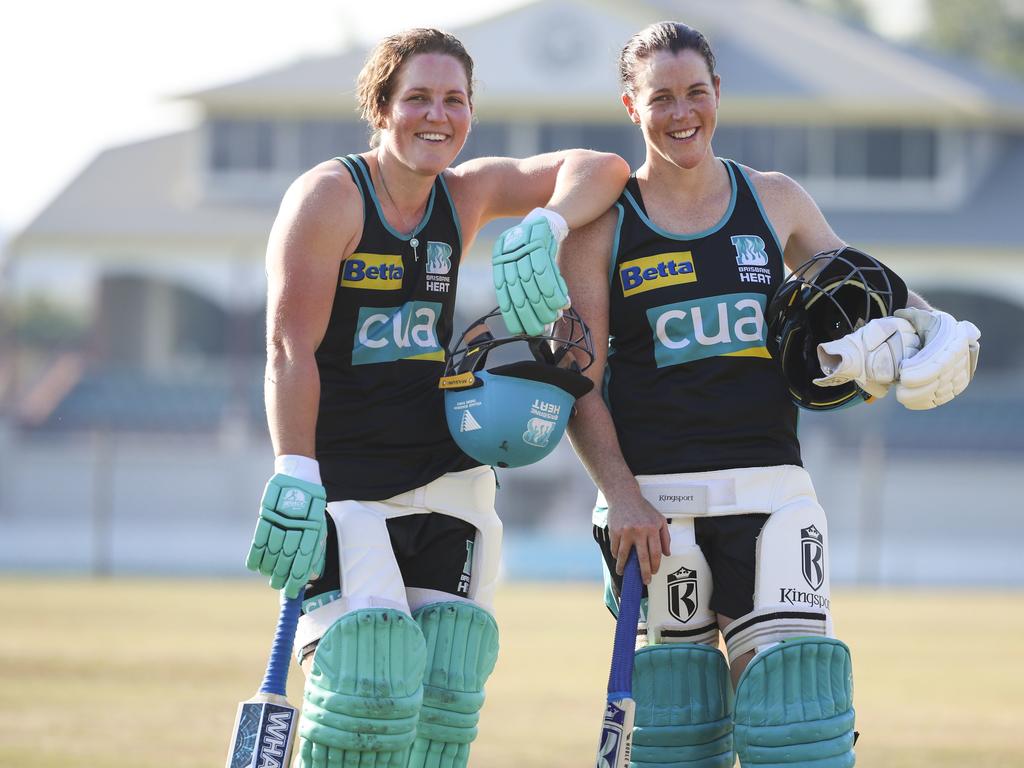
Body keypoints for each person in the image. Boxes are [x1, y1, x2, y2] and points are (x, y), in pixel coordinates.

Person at [558, 21, 980, 768]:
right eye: (661, 97)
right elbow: (579, 385)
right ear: (632, 105)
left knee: (797, 723)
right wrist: (619, 495)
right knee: (680, 735)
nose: (682, 111)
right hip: (657, 512)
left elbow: (865, 289)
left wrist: (935, 325)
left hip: (772, 493)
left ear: (718, 93)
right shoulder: (601, 229)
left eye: (696, 92)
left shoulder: (773, 200)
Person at [242, 27, 630, 768]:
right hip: (349, 489)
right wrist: (295, 470)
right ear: (381, 108)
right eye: (418, 97)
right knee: (367, 687)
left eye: (455, 100)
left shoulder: (467, 194)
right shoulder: (331, 197)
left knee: (447, 698)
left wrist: (545, 225)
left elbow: (602, 167)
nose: (437, 115)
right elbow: (288, 347)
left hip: (449, 481)